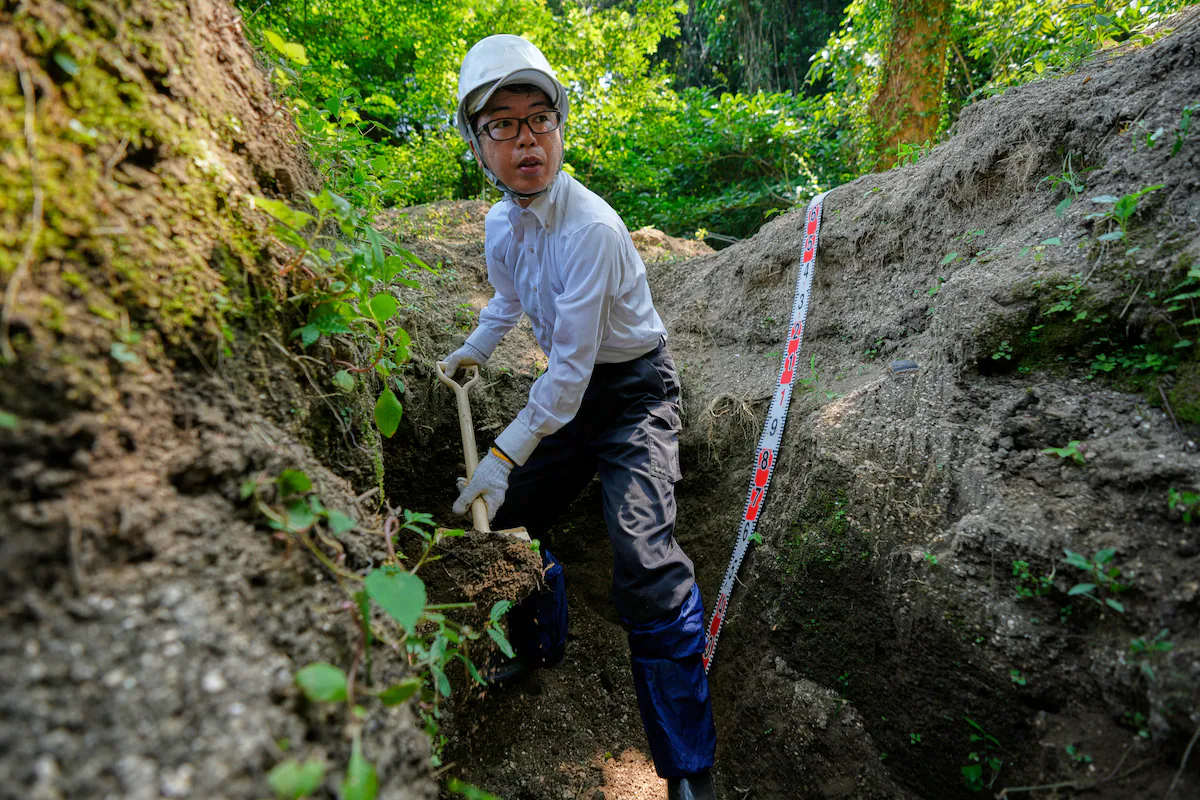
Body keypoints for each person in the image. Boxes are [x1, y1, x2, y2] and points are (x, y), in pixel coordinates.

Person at [439, 35, 717, 800]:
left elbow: (566, 376)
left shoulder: (591, 228)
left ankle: (689, 769)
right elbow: (508, 300)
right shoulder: (501, 226)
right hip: (572, 396)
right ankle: (539, 642)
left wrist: (501, 453)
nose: (526, 139)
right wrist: (473, 350)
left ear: (560, 127)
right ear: (478, 145)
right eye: (502, 124)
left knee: (644, 558)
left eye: (540, 118)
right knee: (508, 519)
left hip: (633, 394)